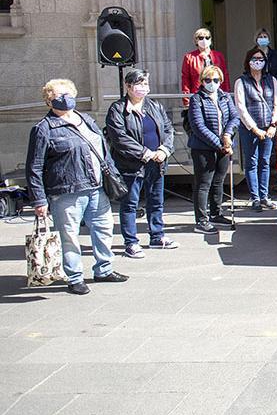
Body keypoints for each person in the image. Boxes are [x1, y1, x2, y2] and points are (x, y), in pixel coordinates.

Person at [26, 79, 129, 295]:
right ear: (49, 101)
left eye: (67, 93)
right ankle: (75, 277)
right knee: (70, 236)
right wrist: (39, 200)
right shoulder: (44, 129)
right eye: (57, 96)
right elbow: (34, 167)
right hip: (66, 192)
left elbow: (103, 149)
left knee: (104, 228)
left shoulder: (86, 119)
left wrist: (112, 172)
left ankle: (104, 269)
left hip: (96, 187)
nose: (64, 98)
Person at [106, 69, 176, 258]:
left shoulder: (154, 106)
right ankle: (131, 242)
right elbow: (119, 138)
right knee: (130, 204)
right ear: (128, 86)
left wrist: (164, 150)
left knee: (156, 201)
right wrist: (144, 153)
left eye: (145, 83)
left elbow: (168, 129)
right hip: (132, 165)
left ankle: (157, 235)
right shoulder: (117, 109)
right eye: (138, 84)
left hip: (157, 163)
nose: (143, 88)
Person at [187, 65, 237, 235]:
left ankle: (216, 213)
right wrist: (220, 144)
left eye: (215, 80)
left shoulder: (225, 97)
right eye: (208, 80)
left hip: (224, 146)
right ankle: (201, 220)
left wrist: (228, 135)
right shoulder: (197, 99)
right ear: (202, 81)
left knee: (218, 181)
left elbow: (234, 117)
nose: (212, 83)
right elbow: (198, 126)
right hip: (203, 148)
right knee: (203, 184)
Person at [234, 47, 277, 211]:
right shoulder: (241, 82)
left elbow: (276, 103)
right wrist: (254, 128)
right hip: (250, 129)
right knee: (252, 162)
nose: (258, 61)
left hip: (268, 128)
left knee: (265, 161)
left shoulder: (272, 80)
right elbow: (241, 107)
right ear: (248, 61)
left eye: (261, 59)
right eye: (254, 58)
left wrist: (273, 125)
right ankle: (255, 197)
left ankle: (264, 196)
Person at [181, 27, 230, 111]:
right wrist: (187, 100)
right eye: (201, 38)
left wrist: (226, 95)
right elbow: (185, 79)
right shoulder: (189, 57)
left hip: (217, 94)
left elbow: (224, 76)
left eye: (207, 37)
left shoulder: (218, 56)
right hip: (198, 95)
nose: (204, 40)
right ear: (196, 40)